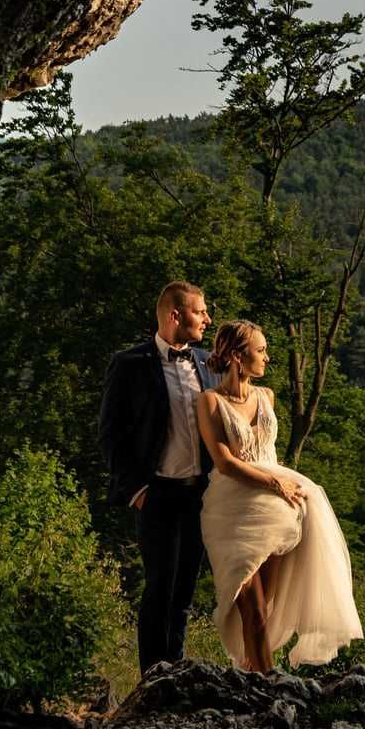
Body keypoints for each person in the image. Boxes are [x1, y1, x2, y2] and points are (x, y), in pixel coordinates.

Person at [197, 320, 364, 673]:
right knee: (252, 606)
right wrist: (276, 484)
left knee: (266, 609)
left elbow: (266, 453)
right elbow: (225, 462)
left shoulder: (266, 396)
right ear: (239, 358)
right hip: (234, 513)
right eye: (260, 351)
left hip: (276, 509)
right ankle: (267, 683)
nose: (268, 358)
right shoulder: (210, 401)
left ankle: (255, 672)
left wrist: (283, 484)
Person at [98, 281, 221, 677]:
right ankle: (152, 679)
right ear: (175, 315)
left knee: (184, 589)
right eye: (200, 311)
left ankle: (177, 673)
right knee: (158, 589)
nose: (207, 318)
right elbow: (111, 433)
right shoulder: (130, 364)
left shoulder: (208, 362)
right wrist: (136, 491)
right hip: (156, 495)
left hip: (200, 496)